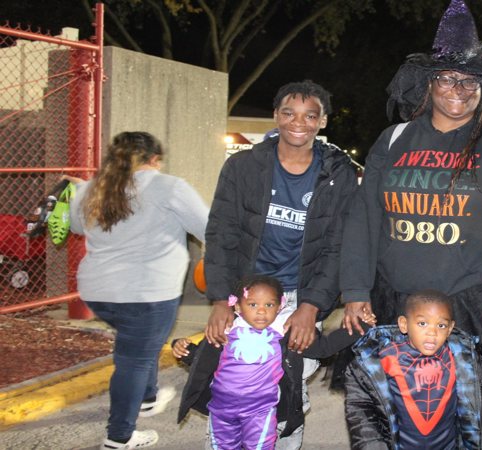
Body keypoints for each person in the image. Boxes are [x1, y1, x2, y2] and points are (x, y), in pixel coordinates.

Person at [339, 1, 482, 448]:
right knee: (399, 417)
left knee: (480, 422)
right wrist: (355, 290)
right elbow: (364, 219)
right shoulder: (394, 139)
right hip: (394, 305)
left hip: (473, 306)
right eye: (448, 78)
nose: (459, 88)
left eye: (470, 80)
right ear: (429, 83)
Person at [203, 80, 359, 448]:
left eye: (310, 115)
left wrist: (311, 306)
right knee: (234, 384)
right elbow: (222, 234)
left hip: (298, 299)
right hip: (246, 296)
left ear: (322, 121)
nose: (298, 122)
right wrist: (220, 299)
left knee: (288, 391)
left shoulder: (338, 175)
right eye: (289, 113)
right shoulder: (243, 166)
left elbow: (338, 247)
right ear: (276, 115)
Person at [69, 131, 209, 449]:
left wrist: (80, 190)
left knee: (140, 345)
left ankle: (147, 398)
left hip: (98, 292)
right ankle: (119, 437)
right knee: (134, 359)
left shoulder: (92, 187)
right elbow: (206, 227)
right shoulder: (169, 187)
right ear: (154, 159)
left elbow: (76, 226)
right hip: (148, 292)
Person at [171, 275, 369, 449]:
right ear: (237, 306)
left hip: (260, 412)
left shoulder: (284, 331)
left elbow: (324, 347)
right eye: (253, 305)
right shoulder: (227, 329)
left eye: (269, 305)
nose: (261, 311)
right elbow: (203, 358)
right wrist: (182, 349)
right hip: (221, 409)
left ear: (280, 306)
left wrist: (361, 325)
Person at [345, 289, 482, 449]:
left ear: (450, 329)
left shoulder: (459, 357)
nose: (432, 333)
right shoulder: (378, 361)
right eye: (422, 323)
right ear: (404, 324)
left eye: (441, 325)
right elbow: (361, 408)